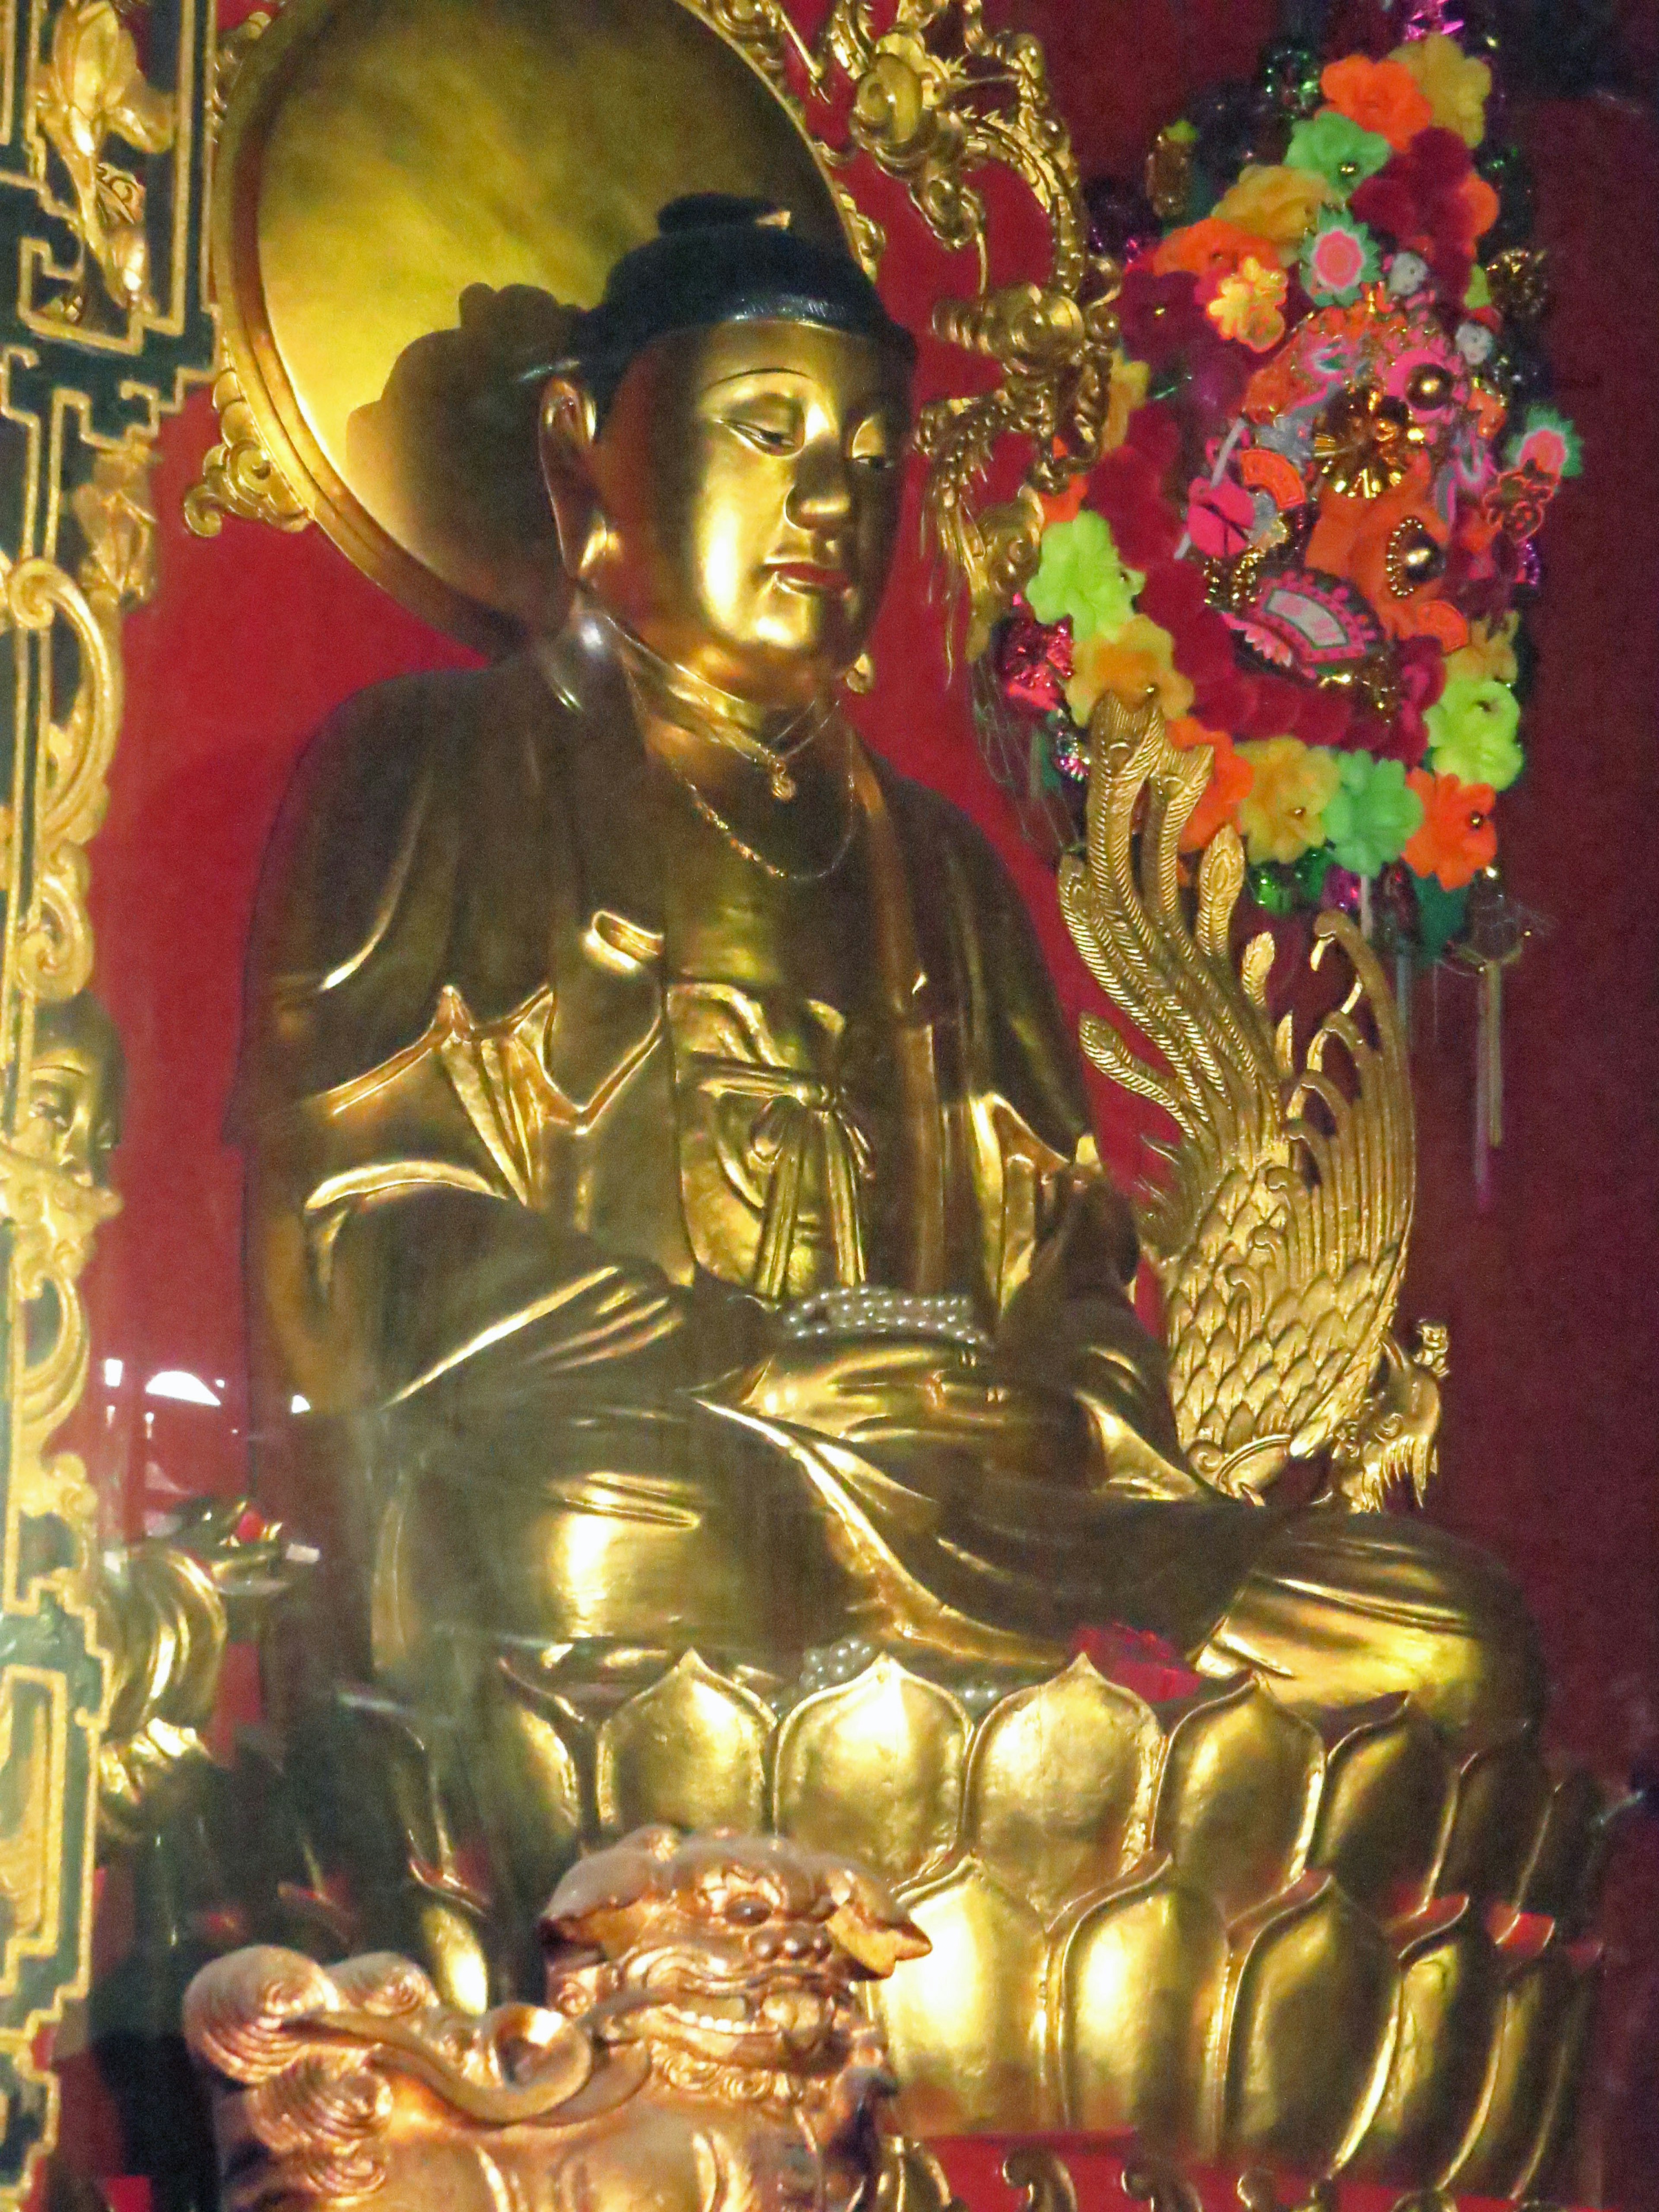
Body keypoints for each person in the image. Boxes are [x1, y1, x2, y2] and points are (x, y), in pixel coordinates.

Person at [235, 197, 1542, 1981]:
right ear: (582, 457)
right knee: (580, 1543)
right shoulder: (431, 769)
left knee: (1439, 1640)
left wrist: (1041, 1404)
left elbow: (1078, 1288)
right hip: (666, 1480)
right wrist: (750, 1363)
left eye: (870, 449)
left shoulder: (942, 867)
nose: (833, 504)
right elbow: (355, 1250)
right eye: (766, 431)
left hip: (978, 1527)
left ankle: (953, 1918)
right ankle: (797, 1952)